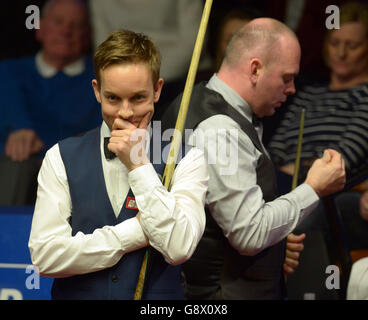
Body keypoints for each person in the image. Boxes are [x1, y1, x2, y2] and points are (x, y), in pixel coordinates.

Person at [161, 17, 346, 300]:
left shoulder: (202, 102)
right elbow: (249, 234)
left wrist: (276, 246)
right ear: (256, 69)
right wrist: (314, 188)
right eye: (286, 77)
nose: (292, 89)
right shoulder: (220, 129)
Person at [28, 29, 208, 300]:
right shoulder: (60, 157)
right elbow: (45, 256)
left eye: (138, 98)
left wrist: (139, 166)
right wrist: (132, 234)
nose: (125, 112)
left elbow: (179, 247)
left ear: (157, 90)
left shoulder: (188, 159)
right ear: (97, 91)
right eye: (113, 98)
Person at [0, 0, 102, 205]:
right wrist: (21, 132)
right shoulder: (9, 72)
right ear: (40, 29)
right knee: (16, 161)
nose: (67, 31)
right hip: (17, 169)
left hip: (76, 172)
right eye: (58, 22)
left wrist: (49, 160)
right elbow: (16, 127)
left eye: (77, 25)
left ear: (88, 35)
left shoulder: (102, 79)